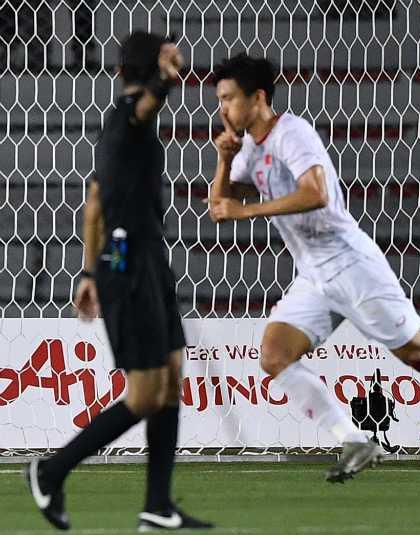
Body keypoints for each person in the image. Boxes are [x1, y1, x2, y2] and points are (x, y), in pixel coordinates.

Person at [206, 53, 420, 490]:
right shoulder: (249, 149)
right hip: (314, 277)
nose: (222, 109)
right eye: (220, 100)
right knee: (275, 355)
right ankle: (353, 440)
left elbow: (316, 193)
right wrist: (225, 161)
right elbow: (218, 207)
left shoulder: (292, 133)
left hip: (353, 265)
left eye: (228, 98)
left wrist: (250, 211)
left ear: (258, 97)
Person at [24, 32, 213, 530]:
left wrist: (86, 270)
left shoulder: (121, 133)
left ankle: (157, 505)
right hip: (128, 267)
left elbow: (92, 203)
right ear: (146, 75)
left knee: (171, 380)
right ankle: (50, 470)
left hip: (144, 260)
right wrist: (165, 79)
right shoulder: (130, 117)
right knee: (145, 394)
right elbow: (146, 104)